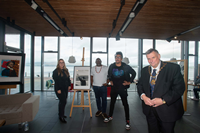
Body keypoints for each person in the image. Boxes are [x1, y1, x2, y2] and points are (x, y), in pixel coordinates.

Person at [137, 48, 185, 133]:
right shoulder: (145, 70)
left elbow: (179, 89)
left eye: (153, 57)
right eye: (148, 58)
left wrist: (163, 100)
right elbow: (140, 85)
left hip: (167, 110)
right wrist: (143, 96)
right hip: (149, 110)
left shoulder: (173, 68)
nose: (151, 61)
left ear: (159, 56)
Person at [107, 51, 136, 130]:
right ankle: (110, 116)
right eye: (116, 57)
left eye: (119, 57)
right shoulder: (112, 66)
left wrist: (129, 81)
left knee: (125, 104)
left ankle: (127, 121)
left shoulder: (126, 66)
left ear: (122, 58)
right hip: (114, 88)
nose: (117, 58)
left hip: (122, 88)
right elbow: (109, 74)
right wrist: (110, 80)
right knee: (112, 103)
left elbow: (134, 73)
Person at [52, 59, 71, 123]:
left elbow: (68, 79)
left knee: (63, 101)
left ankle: (61, 113)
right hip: (59, 89)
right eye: (60, 63)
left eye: (62, 62)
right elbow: (56, 81)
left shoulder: (66, 70)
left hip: (65, 88)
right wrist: (58, 89)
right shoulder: (55, 71)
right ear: (58, 63)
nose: (61, 64)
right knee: (63, 101)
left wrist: (69, 85)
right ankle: (61, 116)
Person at [91, 58, 109, 122]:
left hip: (103, 86)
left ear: (101, 61)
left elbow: (109, 76)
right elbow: (91, 76)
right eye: (97, 60)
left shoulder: (106, 68)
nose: (98, 61)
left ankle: (104, 112)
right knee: (97, 99)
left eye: (99, 60)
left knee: (104, 99)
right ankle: (99, 110)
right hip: (95, 86)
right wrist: (92, 84)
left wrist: (107, 83)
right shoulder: (93, 68)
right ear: (95, 61)